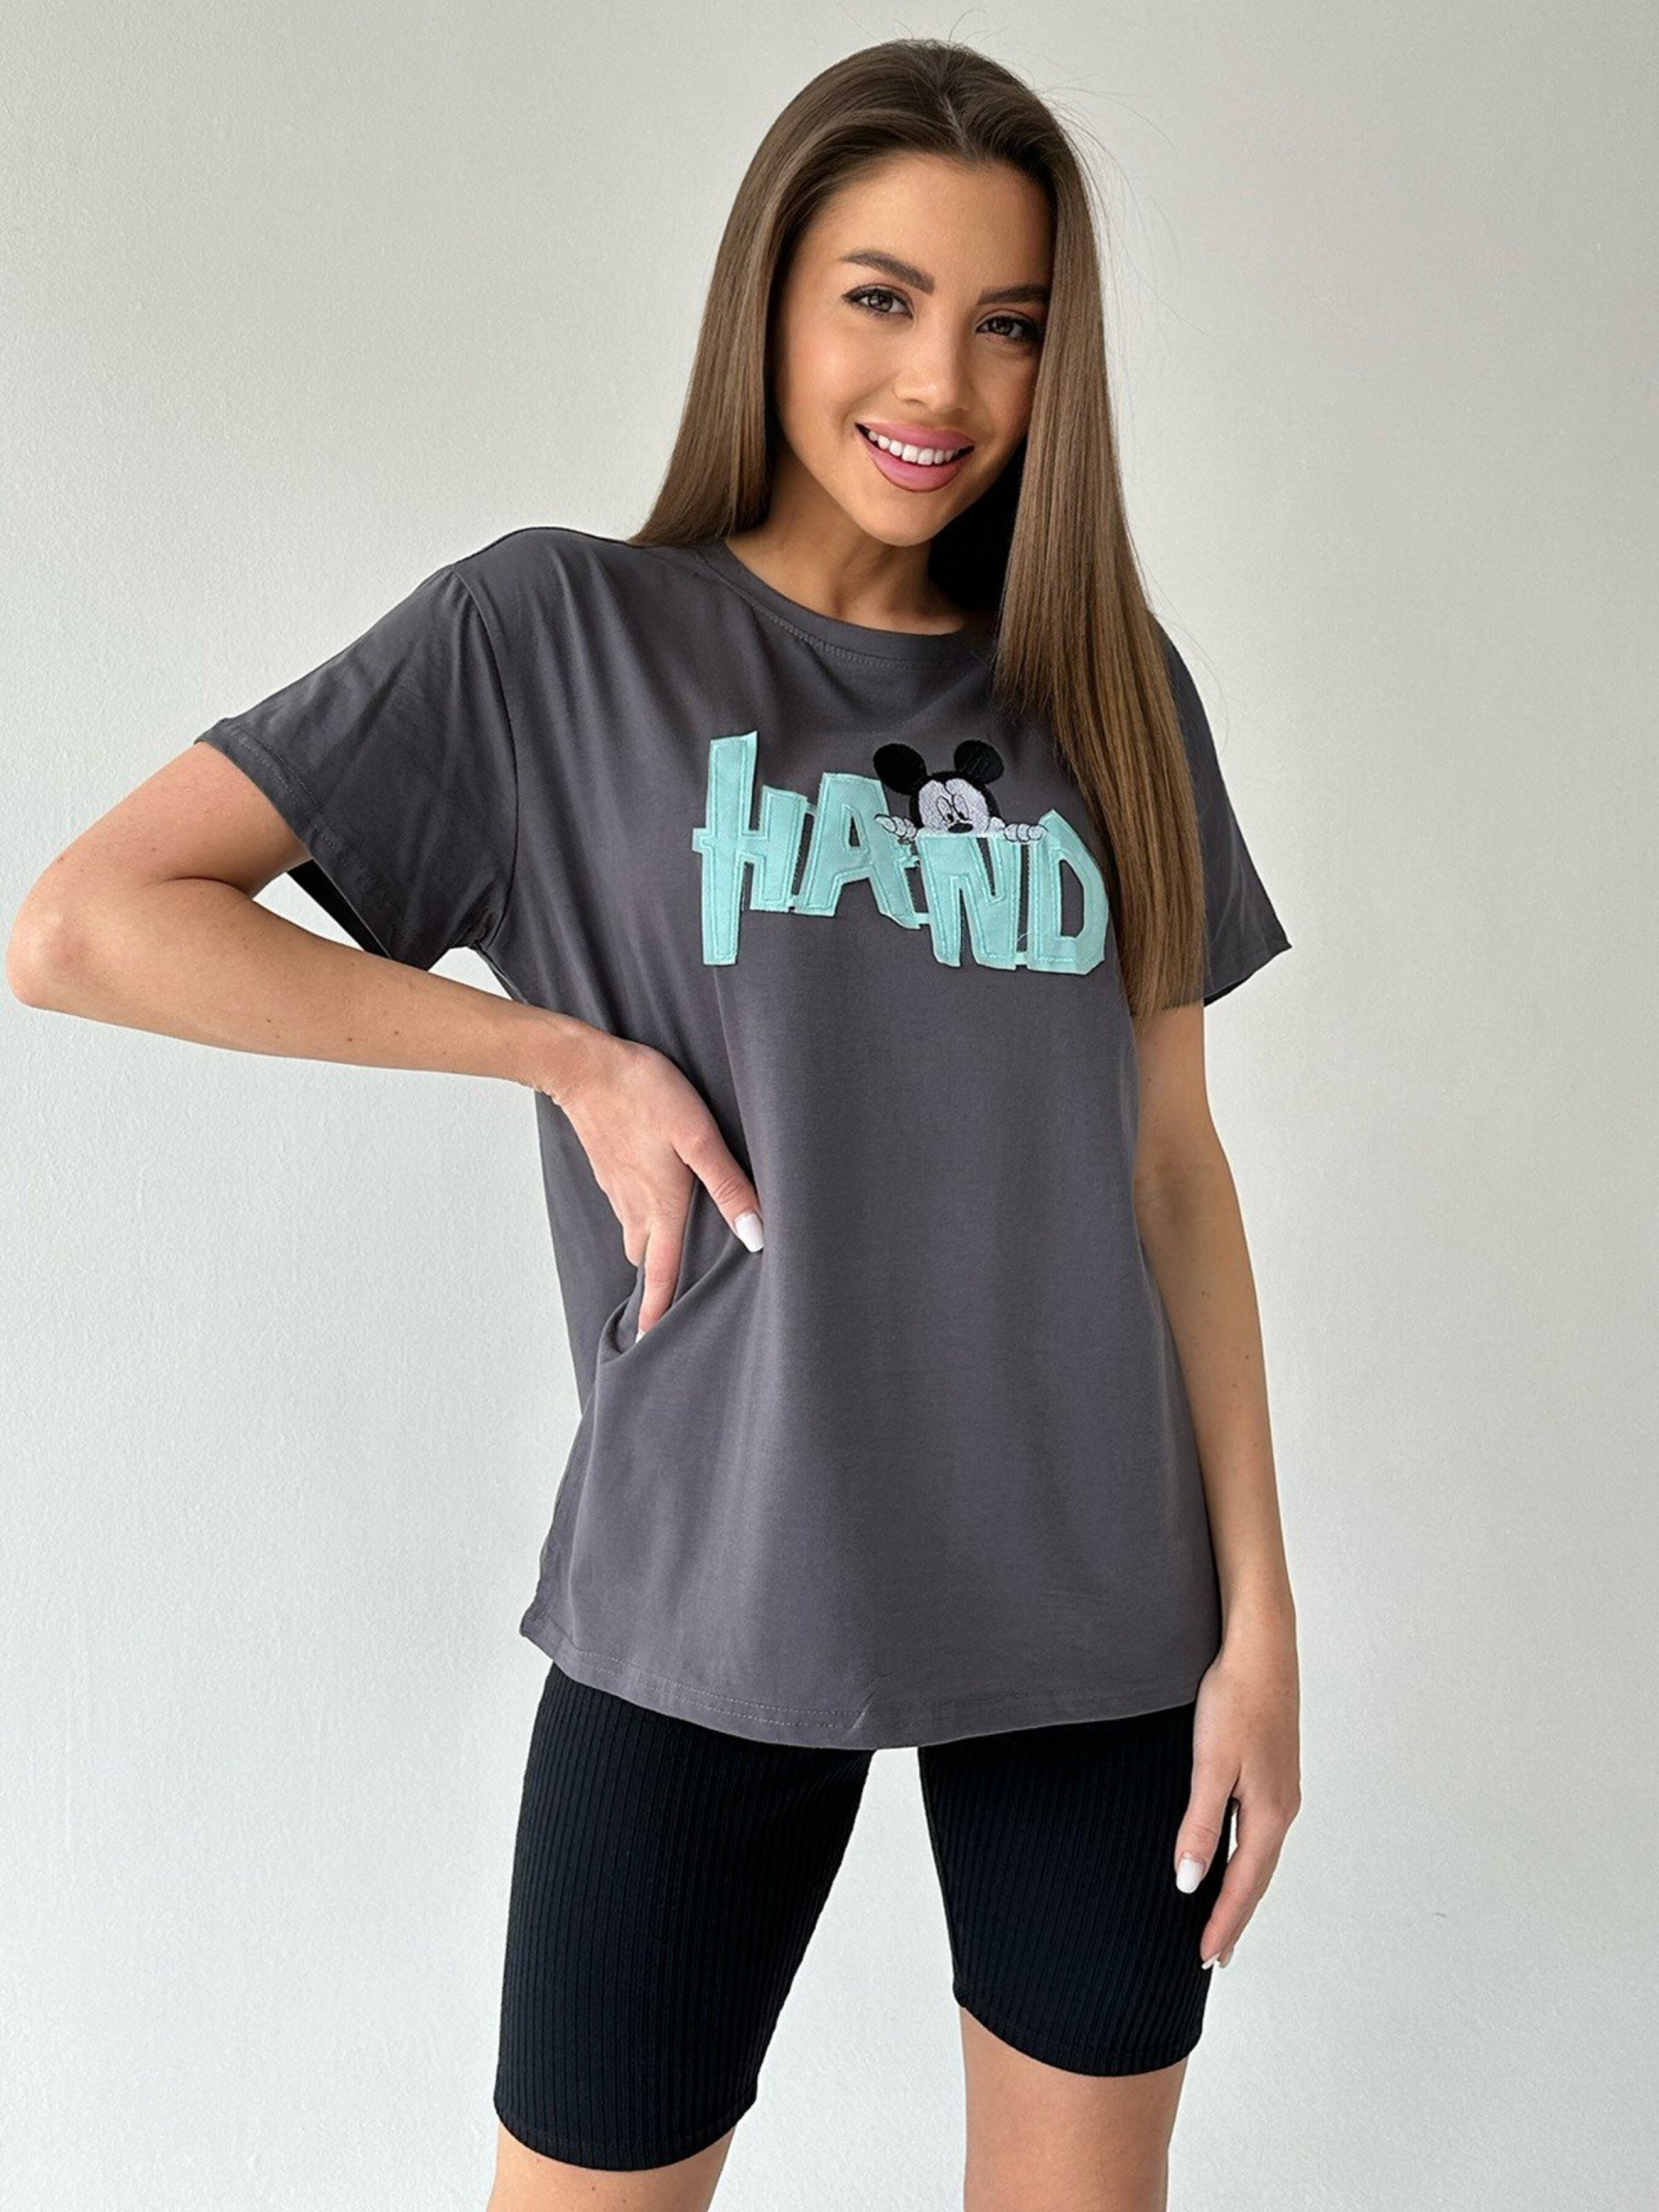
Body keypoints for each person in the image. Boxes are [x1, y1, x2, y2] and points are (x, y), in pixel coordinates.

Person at [7, 36, 1303, 2212]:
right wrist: (561, 1053)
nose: (942, 382)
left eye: (1008, 324)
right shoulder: (560, 636)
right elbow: (87, 924)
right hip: (711, 1585)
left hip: (1096, 1613)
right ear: (769, 299)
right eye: (880, 297)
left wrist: (1259, 1619)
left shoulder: (1109, 690)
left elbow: (1170, 1168)